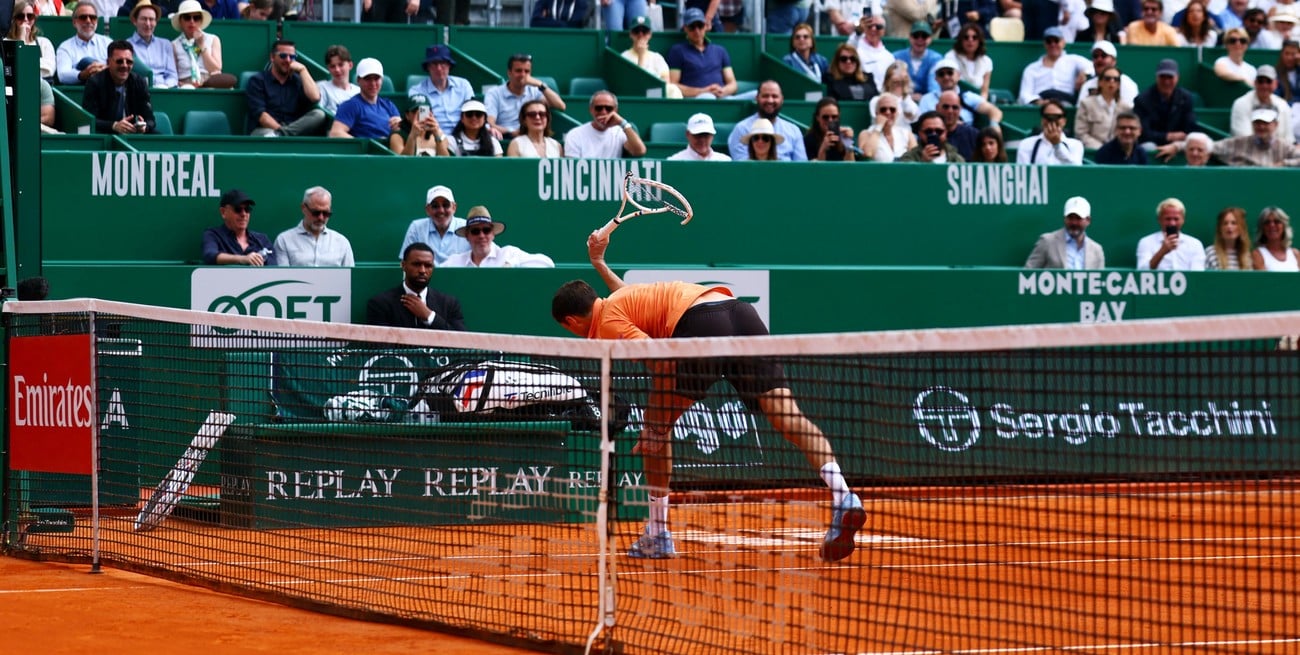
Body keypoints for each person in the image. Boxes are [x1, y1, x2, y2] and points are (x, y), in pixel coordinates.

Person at [550, 230, 865, 563]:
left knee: (656, 428)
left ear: (570, 321)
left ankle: (657, 533)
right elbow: (621, 300)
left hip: (700, 324)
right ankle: (843, 494)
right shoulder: (621, 303)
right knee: (788, 415)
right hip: (740, 313)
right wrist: (599, 262)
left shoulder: (607, 326)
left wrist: (656, 421)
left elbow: (664, 361)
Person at [366, 243, 466, 330]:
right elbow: (380, 346)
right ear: (403, 265)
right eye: (416, 264)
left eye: (428, 265)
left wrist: (430, 316)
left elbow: (462, 342)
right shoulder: (381, 304)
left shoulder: (449, 303)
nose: (422, 270)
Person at [246, 40, 326, 137]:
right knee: (266, 136)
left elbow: (315, 97)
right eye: (283, 56)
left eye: (292, 57)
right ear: (272, 57)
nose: (288, 60)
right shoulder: (257, 81)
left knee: (319, 114)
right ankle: (283, 135)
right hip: (266, 130)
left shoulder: (298, 80)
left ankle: (283, 135)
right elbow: (261, 116)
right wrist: (280, 129)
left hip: (293, 128)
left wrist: (303, 70)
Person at [81, 40, 155, 135]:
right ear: (108, 62)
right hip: (105, 134)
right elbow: (88, 120)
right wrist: (114, 125)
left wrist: (145, 126)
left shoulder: (139, 82)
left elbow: (151, 119)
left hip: (132, 133)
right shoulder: (95, 83)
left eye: (129, 62)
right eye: (119, 61)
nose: (124, 65)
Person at [443, 206, 555, 268]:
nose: (482, 236)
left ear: (493, 234)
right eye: (475, 231)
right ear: (467, 236)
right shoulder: (455, 261)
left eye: (486, 230)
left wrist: (513, 263)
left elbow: (548, 263)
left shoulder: (508, 253)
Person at [485, 53, 565, 139]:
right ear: (509, 73)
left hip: (531, 137)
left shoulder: (535, 91)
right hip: (505, 137)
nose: (523, 75)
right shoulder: (494, 93)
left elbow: (561, 106)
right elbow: (490, 123)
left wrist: (540, 84)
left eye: (527, 71)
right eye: (518, 71)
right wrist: (511, 132)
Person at [273, 187, 355, 267]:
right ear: (303, 208)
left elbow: (350, 277)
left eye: (326, 213)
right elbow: (282, 276)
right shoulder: (284, 240)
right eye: (316, 212)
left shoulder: (342, 242)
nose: (321, 218)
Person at [668, 8, 738, 100]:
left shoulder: (720, 50)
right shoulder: (677, 51)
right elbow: (673, 85)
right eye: (692, 27)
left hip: (724, 97)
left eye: (700, 26)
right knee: (708, 97)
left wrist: (722, 91)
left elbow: (733, 84)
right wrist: (703, 91)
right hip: (698, 99)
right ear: (685, 28)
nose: (697, 31)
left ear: (705, 26)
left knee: (756, 95)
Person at [728, 80, 806, 161]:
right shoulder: (741, 129)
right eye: (765, 96)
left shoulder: (794, 130)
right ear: (757, 98)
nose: (770, 100)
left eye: (774, 96)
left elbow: (802, 167)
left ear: (782, 99)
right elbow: (742, 166)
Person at [329, 58, 402, 144]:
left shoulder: (389, 105)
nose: (373, 83)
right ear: (358, 80)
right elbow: (336, 133)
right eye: (368, 79)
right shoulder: (351, 105)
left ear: (381, 80)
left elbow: (401, 135)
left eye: (376, 78)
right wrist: (368, 144)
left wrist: (400, 126)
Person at [1024, 196, 1106, 269]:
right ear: (1064, 218)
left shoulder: (1096, 250)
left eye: (1078, 218)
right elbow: (1028, 273)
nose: (1074, 222)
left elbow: (1100, 281)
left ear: (1088, 220)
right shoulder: (1047, 241)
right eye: (1070, 218)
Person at [408, 45, 474, 135]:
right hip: (433, 137)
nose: (439, 68)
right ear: (428, 67)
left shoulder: (463, 85)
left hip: (465, 135)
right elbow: (423, 123)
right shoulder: (417, 91)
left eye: (442, 63)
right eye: (434, 64)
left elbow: (473, 110)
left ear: (449, 65)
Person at [202, 189, 278, 266]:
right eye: (237, 209)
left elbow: (272, 268)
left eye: (247, 209)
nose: (243, 214)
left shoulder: (262, 240)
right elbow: (210, 255)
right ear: (223, 212)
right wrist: (243, 259)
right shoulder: (213, 235)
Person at [563, 90, 647, 159]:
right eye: (598, 108)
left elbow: (639, 151)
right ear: (591, 110)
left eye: (609, 108)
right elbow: (572, 167)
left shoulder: (620, 132)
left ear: (616, 111)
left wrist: (623, 123)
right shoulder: (575, 134)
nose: (603, 112)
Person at [1017, 27, 1090, 106]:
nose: (1053, 44)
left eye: (1056, 40)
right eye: (1049, 41)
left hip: (1065, 102)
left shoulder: (1074, 60)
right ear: (1044, 44)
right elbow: (1024, 94)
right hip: (1041, 104)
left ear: (1063, 42)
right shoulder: (1031, 68)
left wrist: (1084, 73)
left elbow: (1092, 66)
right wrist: (1038, 102)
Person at [919, 59, 1002, 127]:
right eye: (941, 74)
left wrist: (994, 126)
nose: (946, 77)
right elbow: (922, 124)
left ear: (958, 75)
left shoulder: (968, 97)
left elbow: (995, 111)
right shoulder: (926, 99)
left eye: (950, 73)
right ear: (936, 78)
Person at [172, 0, 235, 89]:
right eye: (187, 18)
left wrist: (201, 45)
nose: (192, 21)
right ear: (180, 21)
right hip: (186, 85)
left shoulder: (213, 39)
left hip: (210, 83)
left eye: (196, 18)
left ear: (201, 21)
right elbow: (173, 74)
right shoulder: (174, 45)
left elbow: (216, 69)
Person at [1134, 58, 1198, 146]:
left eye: (1170, 77)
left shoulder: (1186, 97)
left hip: (1177, 144)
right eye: (1162, 77)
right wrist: (1167, 136)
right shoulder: (1142, 99)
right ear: (1156, 77)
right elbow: (1143, 132)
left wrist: (1176, 145)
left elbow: (1190, 127)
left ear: (1177, 77)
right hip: (1153, 144)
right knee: (1148, 146)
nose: (1166, 81)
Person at [399, 185, 469, 264]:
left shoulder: (467, 227)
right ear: (427, 209)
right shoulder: (417, 228)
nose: (441, 210)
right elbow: (405, 262)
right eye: (435, 206)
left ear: (454, 207)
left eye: (446, 205)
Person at [1136, 197, 1206, 270]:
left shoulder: (1195, 244)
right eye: (1167, 219)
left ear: (1183, 220)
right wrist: (1162, 252)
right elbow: (1142, 272)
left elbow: (1198, 274)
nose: (1172, 223)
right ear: (1159, 219)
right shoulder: (1146, 242)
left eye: (1176, 219)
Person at [1230, 65, 1293, 146]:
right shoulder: (1241, 104)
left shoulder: (1283, 105)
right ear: (1255, 83)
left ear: (1275, 84)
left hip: (1280, 153)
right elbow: (1243, 139)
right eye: (1260, 81)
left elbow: (1289, 139)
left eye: (1268, 81)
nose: (1264, 85)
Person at [622, 16, 680, 98]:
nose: (640, 34)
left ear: (650, 34)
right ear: (631, 34)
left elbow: (666, 83)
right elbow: (635, 84)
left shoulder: (657, 57)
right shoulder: (624, 56)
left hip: (656, 94)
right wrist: (641, 56)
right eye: (636, 31)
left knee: (673, 89)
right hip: (635, 95)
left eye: (644, 31)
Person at [1075, 65, 1131, 149]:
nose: (1112, 81)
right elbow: (1081, 133)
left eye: (1116, 79)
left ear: (1119, 85)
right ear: (1100, 82)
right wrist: (1102, 149)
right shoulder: (1086, 104)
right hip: (1093, 151)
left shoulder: (1126, 108)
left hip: (1118, 152)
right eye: (1108, 78)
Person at [55, 3, 110, 84]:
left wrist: (103, 70)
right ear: (74, 22)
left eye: (92, 17)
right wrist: (83, 74)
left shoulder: (107, 43)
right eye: (83, 17)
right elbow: (62, 75)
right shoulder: (65, 47)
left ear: (97, 21)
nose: (88, 21)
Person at [124, 1, 175, 88]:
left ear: (156, 22)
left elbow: (172, 75)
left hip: (165, 90)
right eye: (144, 19)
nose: (148, 24)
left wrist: (165, 87)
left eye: (151, 19)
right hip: (138, 90)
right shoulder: (127, 45)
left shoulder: (165, 44)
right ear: (135, 21)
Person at [1016, 100, 1085, 165]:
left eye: (1057, 117)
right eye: (1048, 117)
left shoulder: (1075, 145)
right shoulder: (1026, 144)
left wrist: (1057, 145)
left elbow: (1075, 170)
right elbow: (1023, 172)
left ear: (1064, 121)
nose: (1052, 121)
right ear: (1042, 120)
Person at [6, 1, 56, 81]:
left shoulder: (44, 42)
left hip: (40, 84)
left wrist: (24, 65)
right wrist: (22, 38)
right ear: (13, 19)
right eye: (20, 16)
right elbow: (11, 70)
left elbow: (49, 69)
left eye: (30, 16)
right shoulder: (6, 42)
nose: (26, 20)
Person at [859, 92, 916, 162]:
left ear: (897, 113)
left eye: (892, 109)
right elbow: (868, 154)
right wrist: (878, 127)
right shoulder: (866, 134)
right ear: (877, 113)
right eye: (883, 109)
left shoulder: (907, 134)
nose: (888, 112)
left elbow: (915, 159)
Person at [893, 22, 943, 99]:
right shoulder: (897, 57)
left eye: (924, 36)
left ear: (930, 39)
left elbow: (934, 87)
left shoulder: (936, 59)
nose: (920, 40)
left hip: (927, 102)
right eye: (916, 36)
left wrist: (924, 99)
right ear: (910, 37)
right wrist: (908, 97)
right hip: (901, 99)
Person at [945, 22, 992, 100]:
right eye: (966, 37)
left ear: (979, 40)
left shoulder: (986, 61)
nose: (970, 40)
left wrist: (980, 103)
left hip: (977, 101)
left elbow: (984, 91)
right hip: (955, 99)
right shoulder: (950, 57)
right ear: (961, 40)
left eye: (974, 37)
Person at [848, 13, 895, 85]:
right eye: (869, 26)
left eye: (878, 27)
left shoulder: (889, 57)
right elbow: (848, 51)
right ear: (864, 28)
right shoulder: (856, 48)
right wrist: (858, 31)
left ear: (884, 31)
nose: (873, 29)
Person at [900, 111, 965, 162]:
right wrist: (922, 163)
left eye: (939, 131)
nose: (934, 135)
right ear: (920, 133)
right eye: (928, 131)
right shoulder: (909, 158)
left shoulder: (956, 159)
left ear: (946, 132)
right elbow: (906, 177)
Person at [1252, 206, 1300, 271]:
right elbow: (1264, 280)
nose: (1272, 225)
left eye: (1277, 221)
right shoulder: (1257, 254)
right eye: (1267, 222)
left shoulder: (1295, 254)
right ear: (1262, 228)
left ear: (1284, 226)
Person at [318, 45, 360, 114]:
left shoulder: (359, 92)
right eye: (332, 66)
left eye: (341, 65)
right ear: (328, 69)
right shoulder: (322, 87)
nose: (337, 70)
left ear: (350, 65)